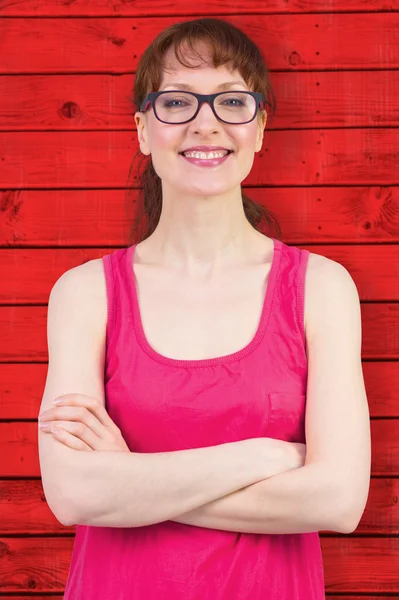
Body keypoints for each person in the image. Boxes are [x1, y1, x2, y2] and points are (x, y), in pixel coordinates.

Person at [38, 17, 371, 600]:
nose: (206, 122)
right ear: (143, 129)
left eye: (232, 101)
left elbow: (339, 500)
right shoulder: (85, 293)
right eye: (176, 101)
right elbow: (76, 496)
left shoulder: (321, 288)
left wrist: (134, 484)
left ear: (260, 128)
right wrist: (264, 456)